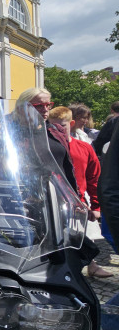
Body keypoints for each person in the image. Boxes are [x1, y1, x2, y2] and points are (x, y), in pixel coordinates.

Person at [49, 106, 111, 278]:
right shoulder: (46, 147)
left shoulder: (84, 148)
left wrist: (96, 206)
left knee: (77, 235)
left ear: (72, 123)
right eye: (52, 126)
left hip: (78, 202)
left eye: (62, 125)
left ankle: (90, 266)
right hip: (52, 201)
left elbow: (94, 178)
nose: (56, 130)